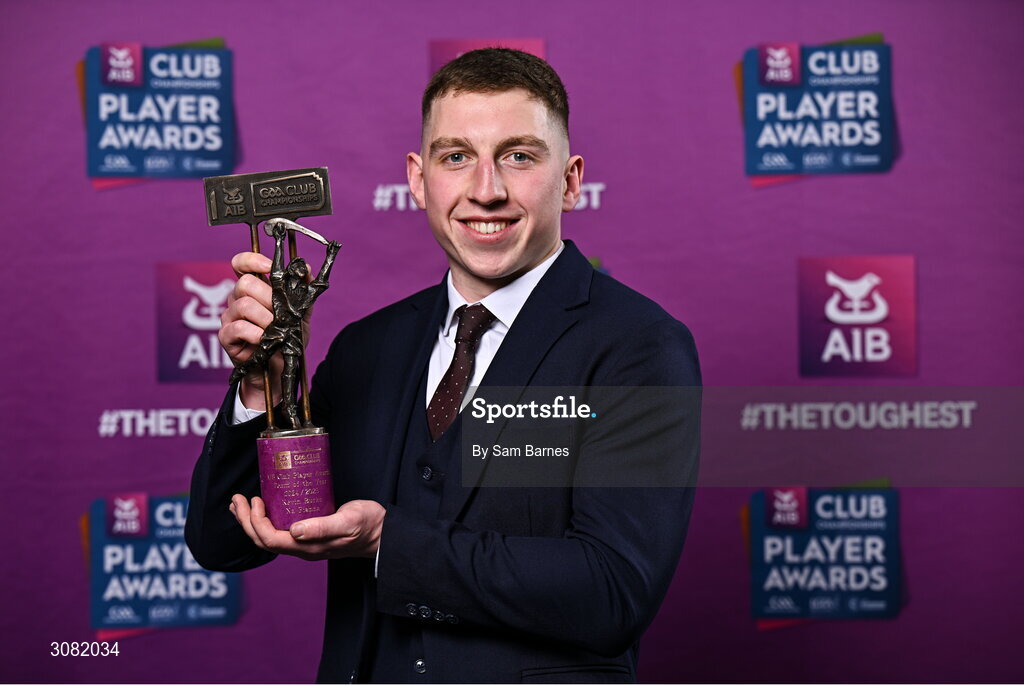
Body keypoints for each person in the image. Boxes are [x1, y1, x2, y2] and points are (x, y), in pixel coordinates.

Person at [186, 48, 700, 683]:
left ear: (569, 179)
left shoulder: (639, 347)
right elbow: (222, 542)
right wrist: (264, 391)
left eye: (518, 155)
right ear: (417, 177)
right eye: (456, 157)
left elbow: (612, 591)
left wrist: (388, 543)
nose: (486, 191)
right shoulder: (365, 348)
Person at [228, 220, 341, 430]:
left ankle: (289, 409)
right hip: (276, 330)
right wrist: (279, 242)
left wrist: (330, 256)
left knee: (290, 371)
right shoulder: (280, 287)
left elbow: (322, 281)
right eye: (295, 264)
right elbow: (276, 269)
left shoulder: (307, 293)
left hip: (293, 335)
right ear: (290, 270)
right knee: (259, 358)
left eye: (301, 264)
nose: (300, 266)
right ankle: (243, 369)